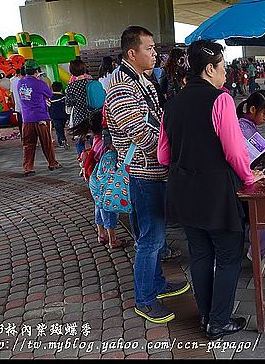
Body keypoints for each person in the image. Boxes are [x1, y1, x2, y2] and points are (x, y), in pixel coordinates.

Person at [157, 40, 265, 340]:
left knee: (201, 254)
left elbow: (163, 155)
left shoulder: (172, 103)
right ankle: (219, 321)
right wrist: (248, 177)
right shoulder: (221, 100)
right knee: (229, 254)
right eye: (222, 68)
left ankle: (206, 316)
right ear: (209, 68)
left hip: (184, 191)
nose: (225, 74)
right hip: (216, 191)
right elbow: (234, 151)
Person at [104, 25, 189, 324]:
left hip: (153, 169)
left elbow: (157, 120)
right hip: (144, 172)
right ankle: (145, 299)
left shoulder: (143, 80)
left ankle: (156, 284)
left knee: (152, 234)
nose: (155, 54)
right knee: (151, 238)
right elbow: (140, 132)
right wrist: (172, 153)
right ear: (132, 52)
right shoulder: (121, 88)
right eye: (149, 48)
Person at [235, 90, 265, 261]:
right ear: (252, 109)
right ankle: (256, 253)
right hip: (243, 179)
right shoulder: (242, 127)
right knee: (260, 213)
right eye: (264, 114)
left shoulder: (246, 124)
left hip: (247, 175)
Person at [85, 111, 128, 249]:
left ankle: (101, 233)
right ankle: (112, 239)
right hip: (106, 182)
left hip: (95, 180)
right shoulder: (105, 145)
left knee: (98, 206)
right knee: (108, 209)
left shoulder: (95, 140)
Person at [17, 59, 62, 176]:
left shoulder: (19, 83)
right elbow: (50, 95)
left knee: (28, 144)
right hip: (41, 117)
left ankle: (27, 167)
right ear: (36, 71)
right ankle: (52, 163)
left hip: (26, 119)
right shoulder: (40, 83)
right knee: (46, 143)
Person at [65, 59, 93, 155]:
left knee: (79, 141)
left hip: (79, 116)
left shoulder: (71, 86)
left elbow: (69, 103)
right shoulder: (91, 82)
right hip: (92, 115)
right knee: (93, 139)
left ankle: (83, 161)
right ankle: (96, 160)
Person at [48, 81, 69, 148]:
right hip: (64, 116)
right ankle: (63, 140)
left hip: (55, 116)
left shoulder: (50, 98)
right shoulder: (64, 97)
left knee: (58, 129)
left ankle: (62, 141)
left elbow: (48, 107)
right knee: (61, 128)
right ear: (61, 88)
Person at [9, 69, 25, 140]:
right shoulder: (23, 81)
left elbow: (11, 94)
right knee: (27, 123)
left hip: (18, 106)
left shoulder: (13, 82)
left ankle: (23, 138)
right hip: (25, 106)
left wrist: (14, 103)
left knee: (20, 123)